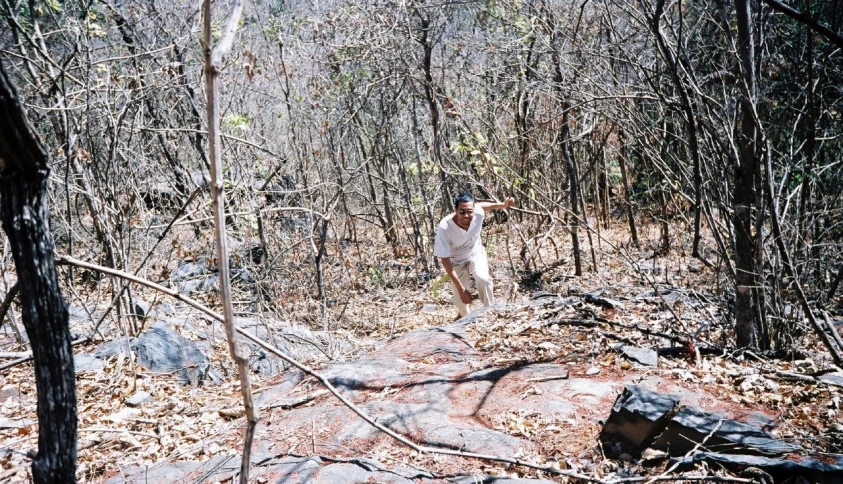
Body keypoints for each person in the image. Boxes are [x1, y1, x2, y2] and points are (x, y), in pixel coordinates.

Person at [433, 193, 516, 318]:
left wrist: (502, 205)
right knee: (461, 300)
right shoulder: (445, 227)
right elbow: (445, 260)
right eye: (462, 211)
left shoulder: (477, 213)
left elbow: (483, 206)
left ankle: (490, 313)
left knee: (484, 279)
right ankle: (464, 318)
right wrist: (461, 290)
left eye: (469, 211)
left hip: (475, 253)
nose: (466, 215)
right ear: (455, 210)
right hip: (456, 261)